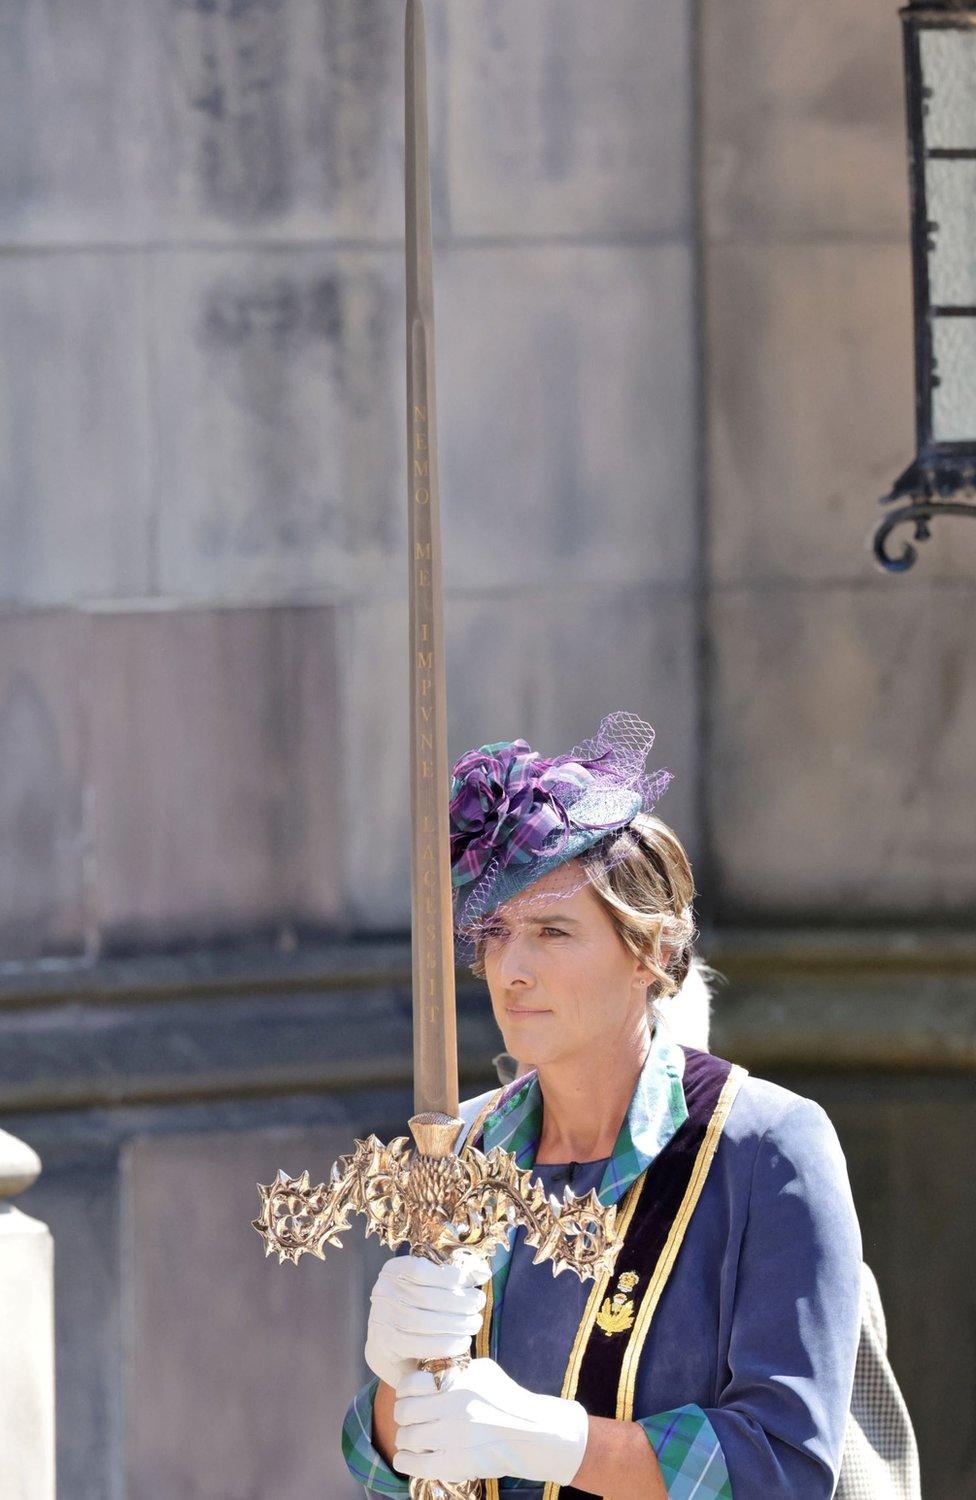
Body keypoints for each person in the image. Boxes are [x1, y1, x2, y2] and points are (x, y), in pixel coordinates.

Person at [341, 713, 864, 1498]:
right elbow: (388, 1473)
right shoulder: (462, 1143)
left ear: (650, 952)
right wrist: (396, 1385)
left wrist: (552, 1440)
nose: (510, 969)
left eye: (552, 930)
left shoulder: (768, 1148)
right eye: (495, 929)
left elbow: (784, 1470)